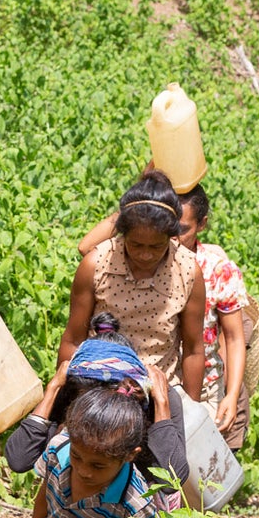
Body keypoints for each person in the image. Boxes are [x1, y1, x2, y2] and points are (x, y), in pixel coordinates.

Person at [79, 185, 259, 447]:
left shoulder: (208, 268)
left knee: (201, 465)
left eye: (181, 229)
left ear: (201, 225)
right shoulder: (120, 261)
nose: (174, 238)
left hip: (201, 380)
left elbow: (229, 339)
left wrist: (228, 395)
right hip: (146, 378)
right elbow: (88, 247)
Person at [17, 386, 174, 518]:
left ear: (130, 455)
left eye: (98, 466)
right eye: (77, 456)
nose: (84, 471)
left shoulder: (133, 501)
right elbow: (42, 501)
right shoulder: (57, 451)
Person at [60, 169, 206, 399]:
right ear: (122, 234)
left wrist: (190, 413)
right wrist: (66, 398)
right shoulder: (96, 265)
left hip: (159, 392)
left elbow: (194, 351)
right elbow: (72, 340)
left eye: (156, 247)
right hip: (99, 388)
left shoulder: (188, 272)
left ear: (171, 237)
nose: (146, 255)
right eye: (136, 245)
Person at [5, 328, 194, 503]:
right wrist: (53, 389)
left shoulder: (155, 399)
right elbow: (19, 459)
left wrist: (161, 404)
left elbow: (172, 481)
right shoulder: (70, 390)